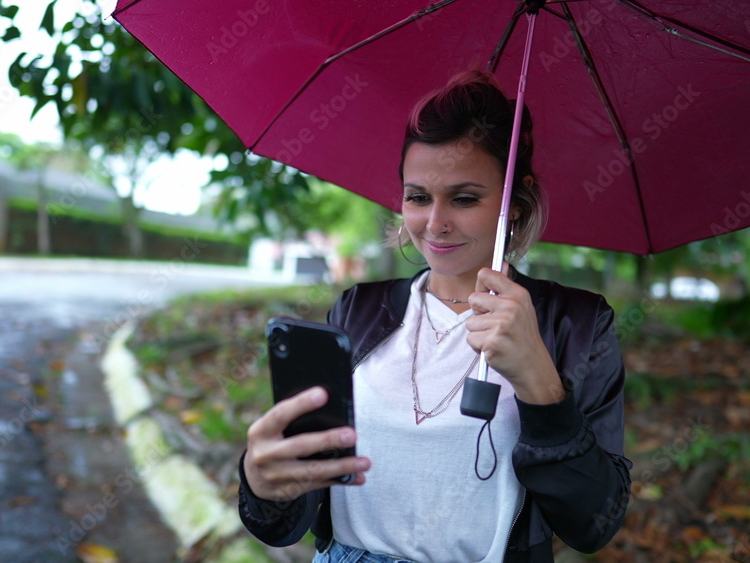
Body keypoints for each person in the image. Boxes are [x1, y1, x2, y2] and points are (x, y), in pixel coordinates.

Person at [238, 70, 631, 562]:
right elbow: (293, 498)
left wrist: (540, 384)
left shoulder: (577, 324)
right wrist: (262, 484)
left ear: (515, 201)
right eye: (418, 197)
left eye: (464, 199)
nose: (435, 223)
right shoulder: (358, 309)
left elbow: (594, 523)